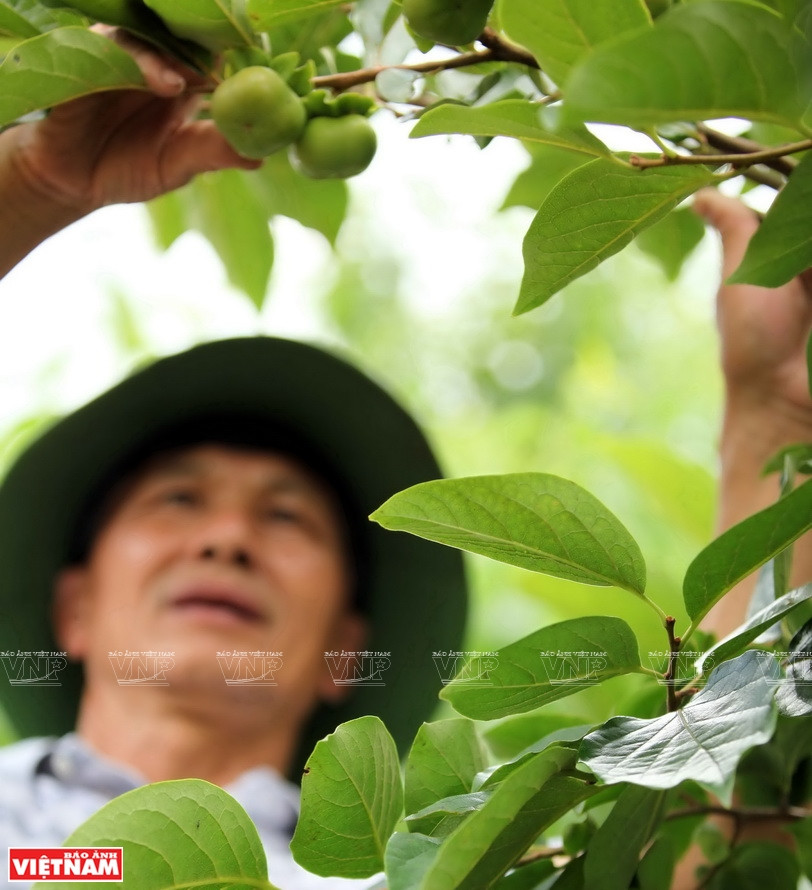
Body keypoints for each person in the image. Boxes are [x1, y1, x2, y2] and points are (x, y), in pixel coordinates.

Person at [0, 24, 809, 890]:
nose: (225, 541)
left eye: (285, 517)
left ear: (346, 652)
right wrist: (31, 184)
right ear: (73, 609)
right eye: (177, 503)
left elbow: (692, 841)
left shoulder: (433, 876)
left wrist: (775, 410)